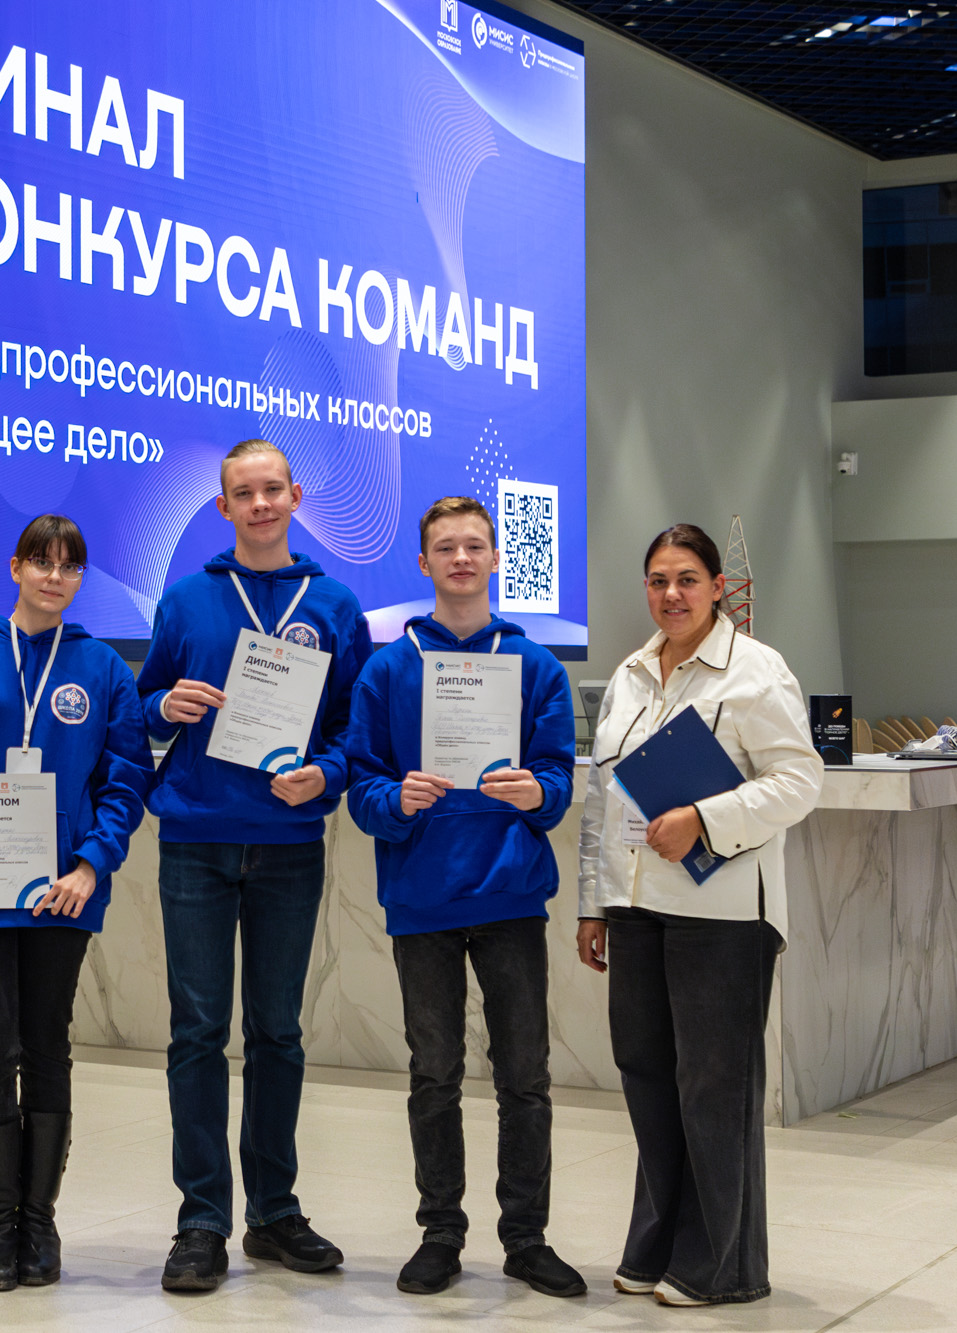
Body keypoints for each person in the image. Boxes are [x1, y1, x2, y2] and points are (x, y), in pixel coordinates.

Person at [136, 438, 374, 1292]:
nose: (261, 503)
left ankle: (273, 1211)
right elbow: (141, 706)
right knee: (197, 1032)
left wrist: (329, 773)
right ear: (224, 506)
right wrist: (162, 704)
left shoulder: (336, 604)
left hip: (288, 844)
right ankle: (201, 1220)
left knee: (278, 1031)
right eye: (245, 492)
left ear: (297, 496)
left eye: (273, 489)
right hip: (195, 841)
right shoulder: (186, 600)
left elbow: (355, 728)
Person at [575, 523, 823, 1307]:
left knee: (715, 1086)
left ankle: (723, 1263)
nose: (671, 593)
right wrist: (594, 903)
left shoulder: (756, 670)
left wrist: (705, 819)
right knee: (648, 1076)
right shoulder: (630, 674)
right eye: (658, 580)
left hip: (724, 913)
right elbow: (603, 798)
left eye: (687, 578)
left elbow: (799, 780)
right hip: (637, 907)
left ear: (719, 587)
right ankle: (656, 1243)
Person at [345, 496, 585, 1300]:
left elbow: (558, 780)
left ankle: (527, 1237)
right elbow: (362, 787)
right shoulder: (387, 669)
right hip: (423, 899)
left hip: (510, 894)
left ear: (494, 558)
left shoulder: (535, 665)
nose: (460, 558)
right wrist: (396, 800)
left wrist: (535, 793)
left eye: (474, 545)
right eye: (445, 547)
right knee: (434, 1074)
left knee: (525, 1076)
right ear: (423, 563)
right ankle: (440, 1233)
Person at [0, 514, 153, 1291]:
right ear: (14, 566)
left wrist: (90, 865)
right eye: (41, 562)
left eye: (70, 565)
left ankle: (38, 1222)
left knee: (48, 1045)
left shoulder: (102, 666)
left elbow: (125, 778)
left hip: (61, 893)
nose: (55, 576)